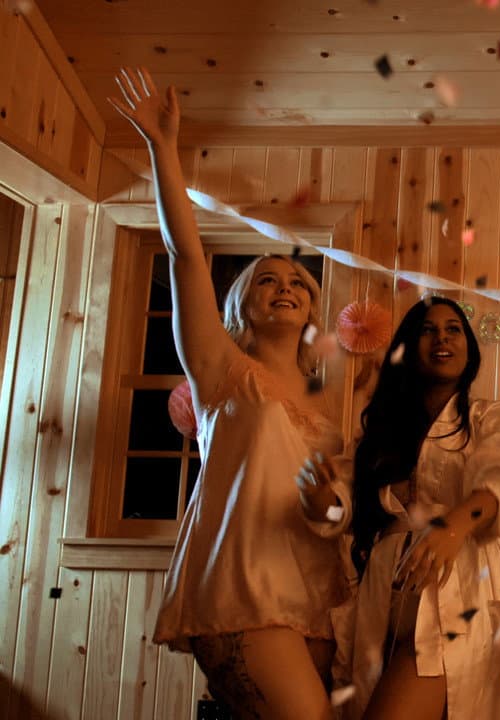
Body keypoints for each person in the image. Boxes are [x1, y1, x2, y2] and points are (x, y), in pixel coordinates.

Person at [111, 67, 347, 718]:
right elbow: (186, 256)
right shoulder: (221, 371)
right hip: (242, 591)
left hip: (319, 603)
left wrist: (331, 504)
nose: (286, 287)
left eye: (297, 282)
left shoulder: (328, 412)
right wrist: (163, 148)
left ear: (312, 309)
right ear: (240, 305)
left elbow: (335, 514)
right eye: (266, 279)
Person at [300, 296, 500, 719]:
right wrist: (319, 502)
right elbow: (342, 510)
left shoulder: (489, 417)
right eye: (428, 330)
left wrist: (453, 527)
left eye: (453, 329)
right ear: (409, 346)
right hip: (383, 600)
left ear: (469, 349)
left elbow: (498, 477)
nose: (442, 338)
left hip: (457, 590)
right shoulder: (382, 433)